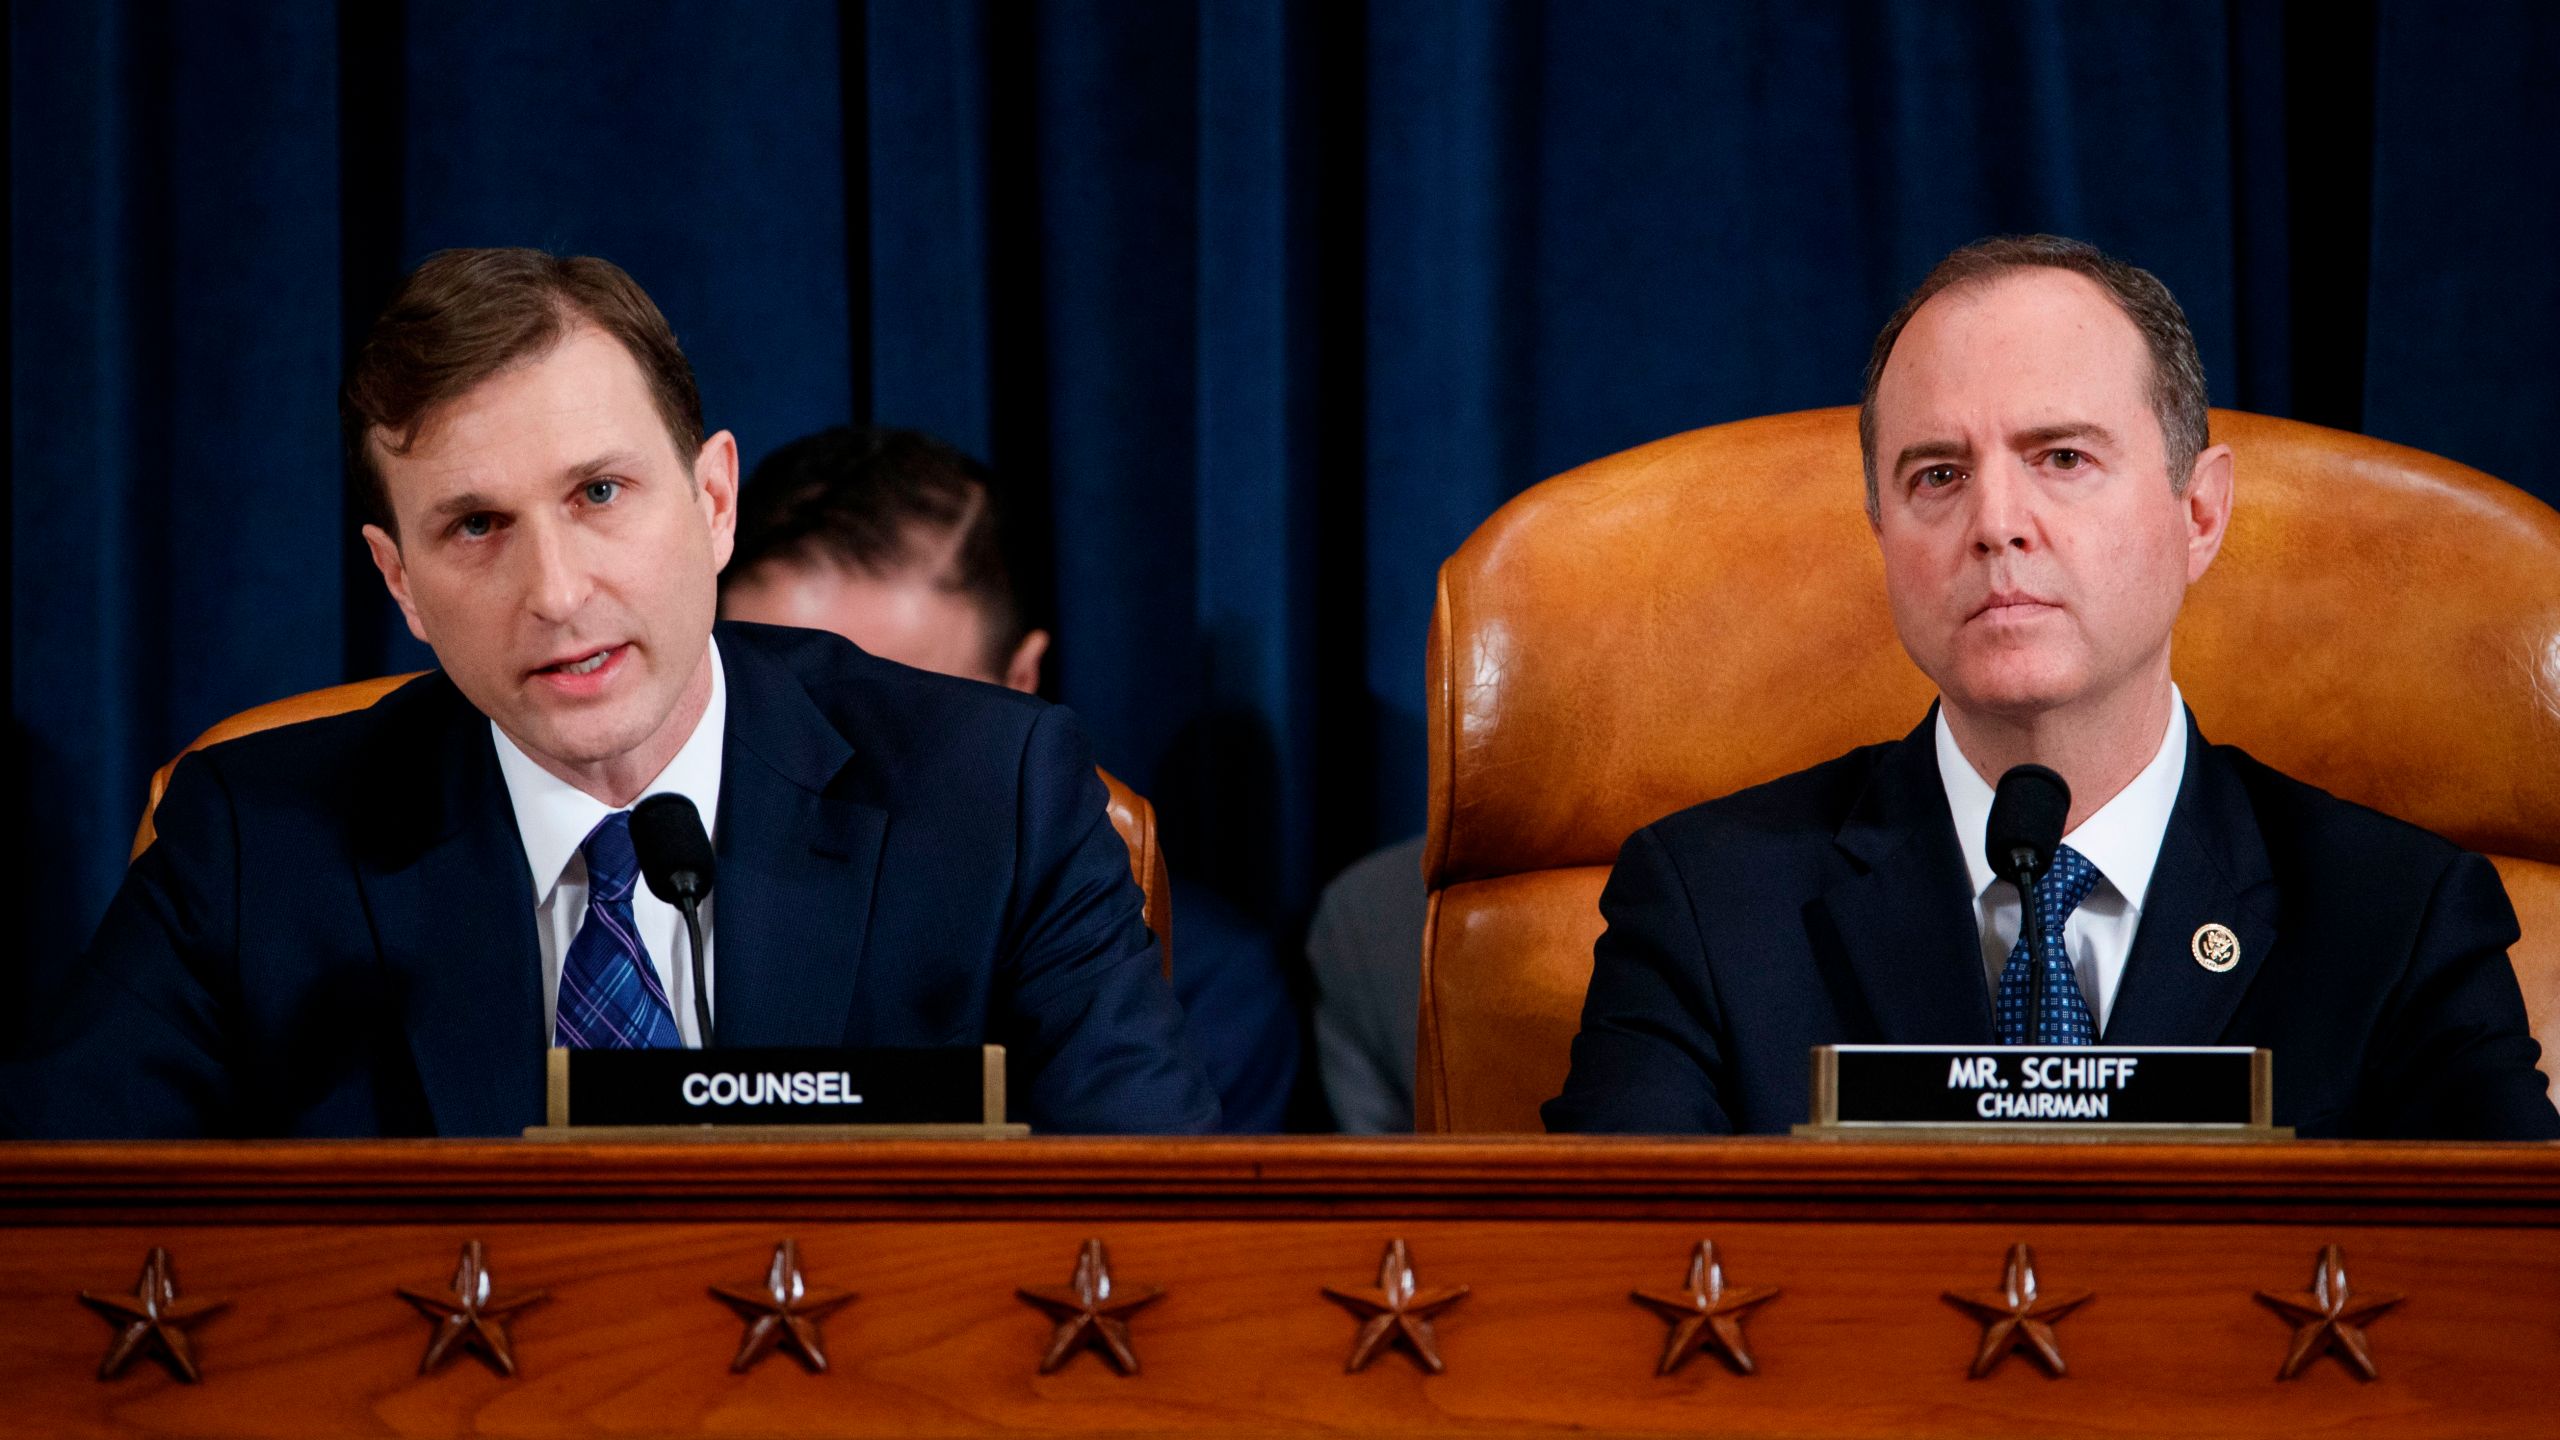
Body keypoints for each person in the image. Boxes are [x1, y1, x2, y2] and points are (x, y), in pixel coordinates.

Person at [3, 248, 1218, 1138]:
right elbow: (53, 1245)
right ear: (401, 582)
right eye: (477, 526)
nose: (556, 590)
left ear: (713, 500)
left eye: (599, 494)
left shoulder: (989, 801)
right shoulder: (254, 847)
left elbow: (1162, 1247)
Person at [1546, 234, 2559, 1140]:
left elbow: (2512, 1307)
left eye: (2061, 457)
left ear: (2199, 514)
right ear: (1883, 537)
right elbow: (1605, 1305)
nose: (1996, 521)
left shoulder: (2394, 919)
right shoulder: (1707, 911)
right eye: (1936, 475)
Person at [719, 426, 1303, 1131]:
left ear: (1020, 683)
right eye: (784, 699)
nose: (835, 764)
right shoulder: (630, 907)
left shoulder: (1186, 993)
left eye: (897, 708)